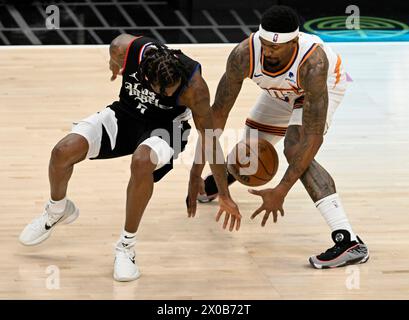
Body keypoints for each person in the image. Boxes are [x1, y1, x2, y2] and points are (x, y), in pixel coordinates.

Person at [19, 34, 241, 282]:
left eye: (173, 90)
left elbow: (210, 139)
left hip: (167, 129)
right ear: (145, 76)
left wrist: (222, 192)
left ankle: (126, 248)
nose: (169, 93)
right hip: (126, 115)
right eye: (164, 91)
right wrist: (115, 65)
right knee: (62, 151)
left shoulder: (194, 89)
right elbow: (115, 47)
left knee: (141, 161)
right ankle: (57, 209)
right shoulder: (127, 50)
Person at [193, 5, 369, 269]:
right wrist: (196, 170)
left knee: (294, 147)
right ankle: (221, 179)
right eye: (266, 45)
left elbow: (313, 137)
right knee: (249, 153)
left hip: (320, 87)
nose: (270, 52)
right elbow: (216, 116)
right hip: (281, 90)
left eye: (278, 47)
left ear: (295, 42)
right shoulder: (244, 54)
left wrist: (281, 190)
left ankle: (348, 240)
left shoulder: (314, 64)